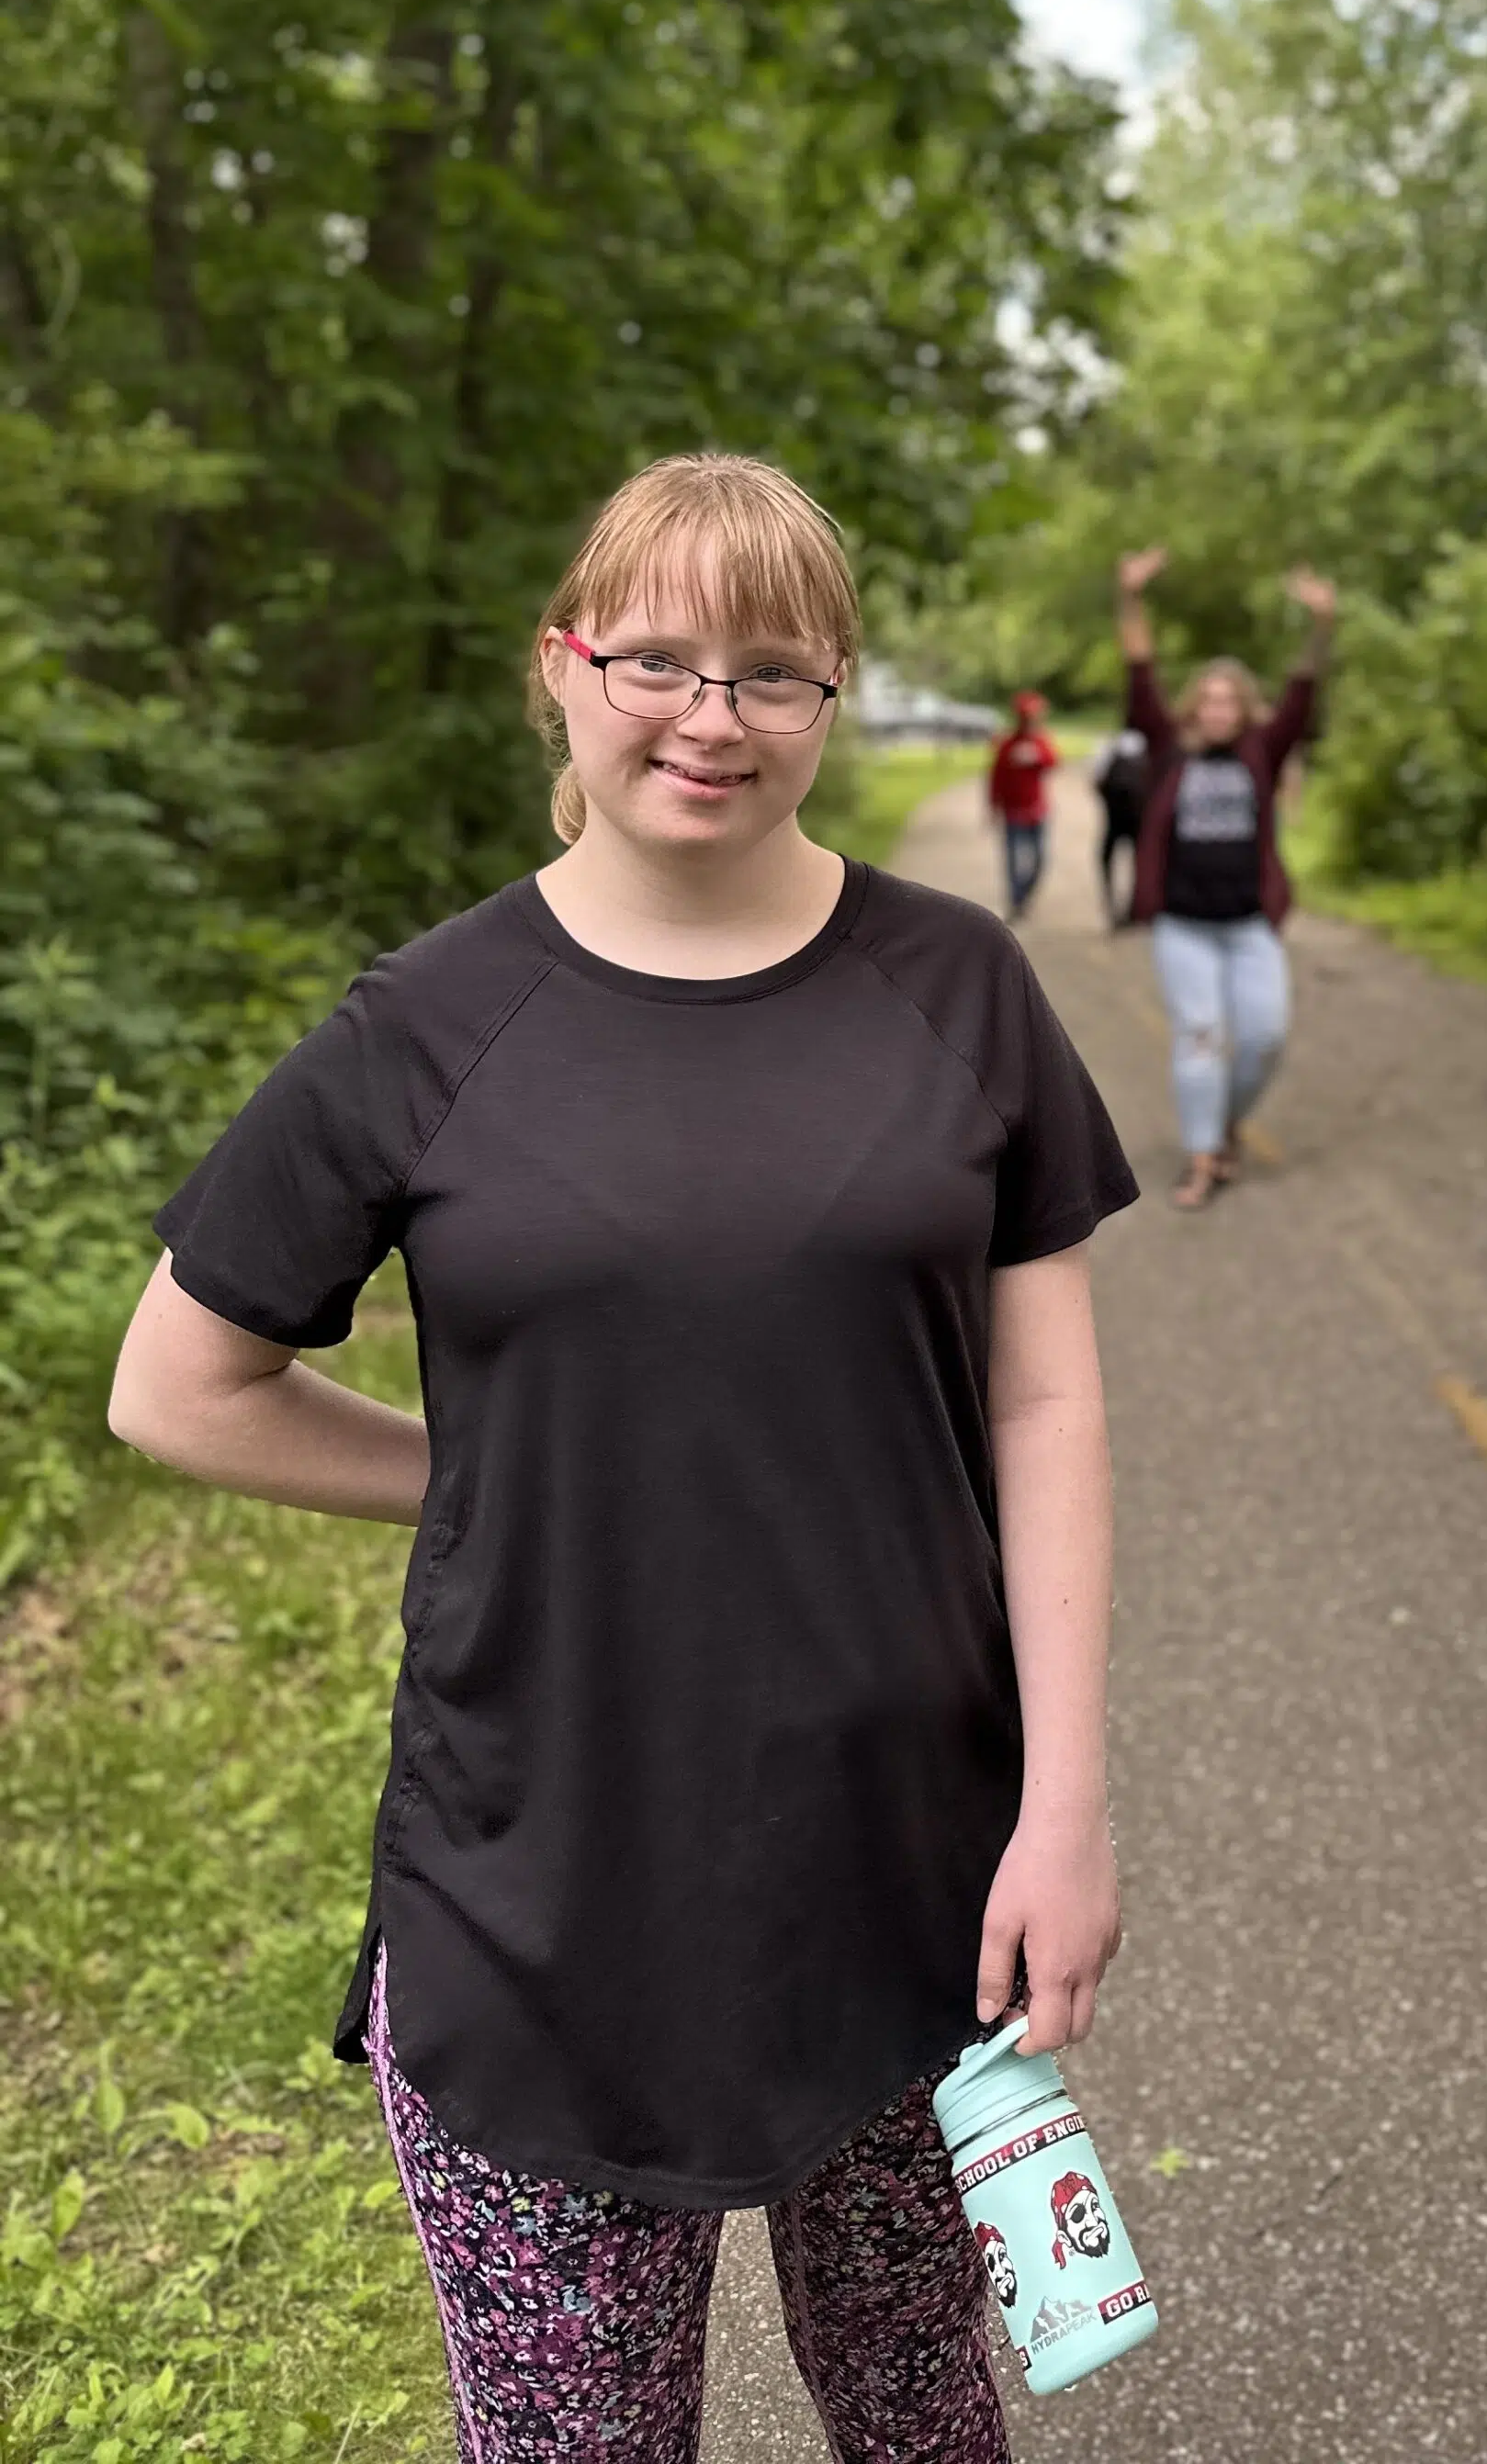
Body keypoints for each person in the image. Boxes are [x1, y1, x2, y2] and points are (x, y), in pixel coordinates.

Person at [107, 451, 1137, 2464]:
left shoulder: (960, 993)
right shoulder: (429, 1025)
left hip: (916, 1879)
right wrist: (479, 1475)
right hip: (541, 1901)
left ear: (834, 700)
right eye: (656, 657)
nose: (710, 716)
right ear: (559, 672)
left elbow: (1047, 1405)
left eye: (774, 672)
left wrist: (1070, 1807)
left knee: (928, 2416)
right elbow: (178, 1384)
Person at [1114, 546, 1335, 1211]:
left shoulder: (1262, 751)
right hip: (1184, 925)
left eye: (1228, 701)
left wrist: (1323, 624)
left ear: (1244, 710)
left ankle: (1224, 1122)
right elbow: (1140, 669)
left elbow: (1302, 690)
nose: (1215, 710)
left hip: (1246, 926)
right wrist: (1129, 598)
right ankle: (1204, 1155)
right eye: (1206, 699)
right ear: (1193, 708)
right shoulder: (1166, 747)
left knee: (1264, 1037)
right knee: (1202, 1035)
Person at [987, 689, 1057, 920]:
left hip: (1037, 811)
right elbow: (995, 778)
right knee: (1013, 860)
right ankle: (1016, 901)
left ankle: (1024, 894)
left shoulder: (1040, 741)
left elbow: (1054, 762)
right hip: (1013, 812)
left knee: (1040, 860)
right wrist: (993, 807)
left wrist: (1037, 754)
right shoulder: (1006, 744)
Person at [1092, 722, 1151, 929]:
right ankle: (1134, 910)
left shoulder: (1110, 745)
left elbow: (1096, 781)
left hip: (1114, 820)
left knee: (1107, 862)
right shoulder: (1149, 746)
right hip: (1139, 820)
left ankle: (1112, 908)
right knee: (1142, 866)